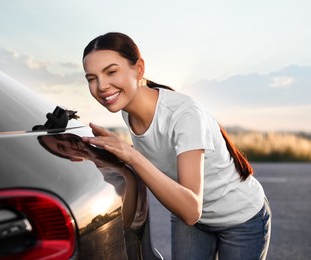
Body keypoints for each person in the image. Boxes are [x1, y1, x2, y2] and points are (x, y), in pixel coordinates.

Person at [81, 32, 271, 260]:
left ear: (138, 69)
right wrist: (92, 154)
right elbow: (156, 150)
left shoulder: (184, 115)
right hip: (192, 221)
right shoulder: (127, 111)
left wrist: (131, 155)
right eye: (91, 78)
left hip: (240, 219)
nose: (101, 86)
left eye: (111, 72)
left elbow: (191, 210)